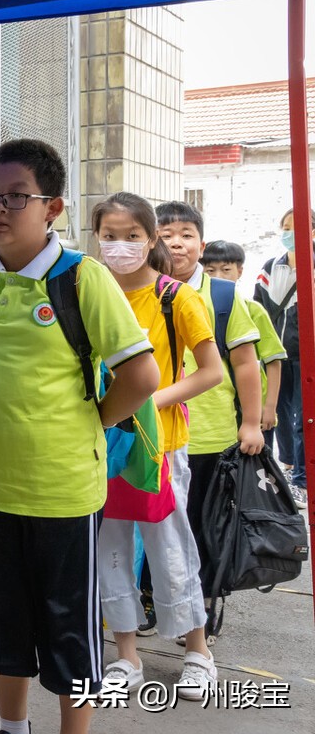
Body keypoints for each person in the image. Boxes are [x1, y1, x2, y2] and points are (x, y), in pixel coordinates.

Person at [0, 140, 158, 734]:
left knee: (69, 627)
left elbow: (141, 375)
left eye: (15, 197)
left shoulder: (83, 279)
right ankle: (13, 727)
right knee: (5, 617)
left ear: (51, 207)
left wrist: (93, 419)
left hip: (61, 489)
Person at [91, 193, 223, 701]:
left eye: (131, 236)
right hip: (101, 443)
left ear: (151, 239)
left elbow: (211, 371)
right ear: (96, 237)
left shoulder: (176, 297)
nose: (119, 246)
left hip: (160, 446)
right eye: (109, 235)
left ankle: (197, 652)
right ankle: (126, 656)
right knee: (112, 550)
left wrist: (144, 401)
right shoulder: (88, 291)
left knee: (171, 549)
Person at [155, 203, 263, 620]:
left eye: (185, 234)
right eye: (166, 233)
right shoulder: (141, 290)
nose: (176, 242)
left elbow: (245, 363)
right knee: (156, 528)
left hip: (210, 436)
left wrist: (251, 423)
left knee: (204, 528)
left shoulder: (222, 295)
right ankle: (155, 600)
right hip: (155, 433)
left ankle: (203, 605)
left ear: (201, 244)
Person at [202, 239, 287, 475]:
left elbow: (273, 360)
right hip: (225, 409)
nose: (218, 275)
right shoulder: (198, 305)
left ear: (240, 271)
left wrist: (269, 408)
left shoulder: (253, 309)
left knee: (255, 471)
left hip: (254, 410)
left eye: (226, 269)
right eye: (210, 270)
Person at [253, 210, 310, 509]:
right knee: (275, 414)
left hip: (307, 357)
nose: (289, 233)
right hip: (274, 355)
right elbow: (258, 309)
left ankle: (301, 481)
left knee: (304, 418)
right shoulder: (270, 268)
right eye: (285, 227)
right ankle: (282, 470)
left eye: (296, 227)